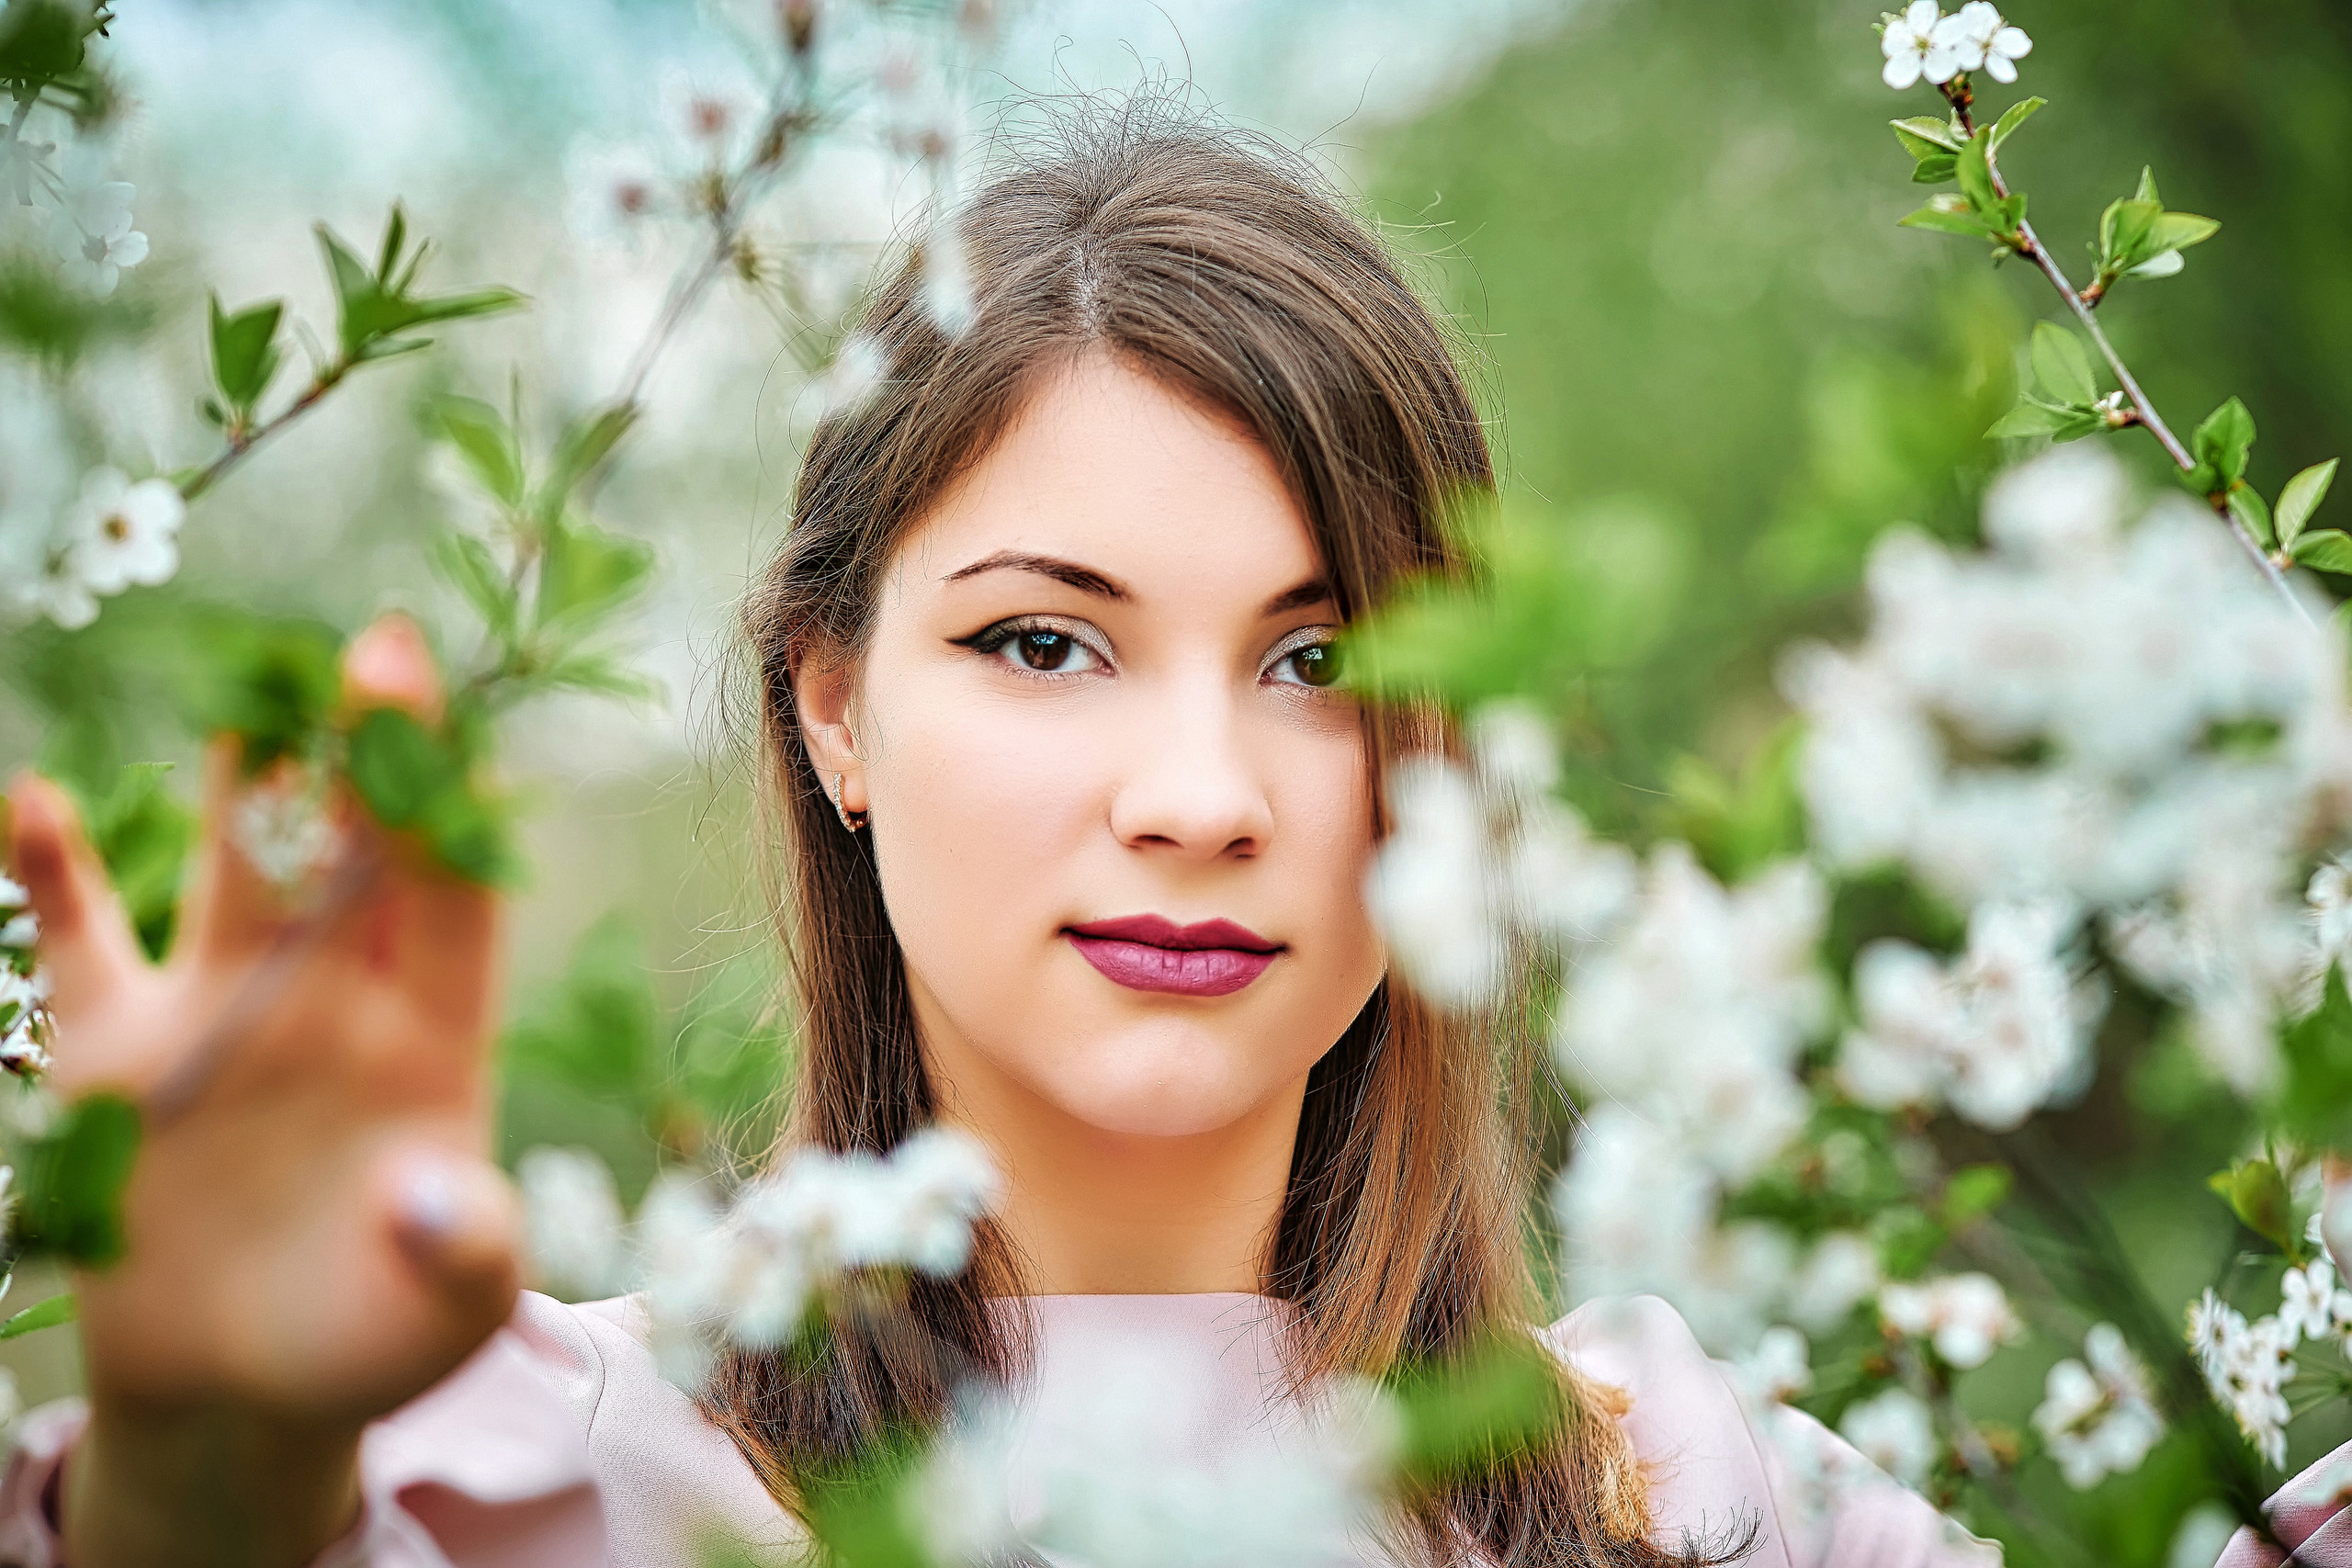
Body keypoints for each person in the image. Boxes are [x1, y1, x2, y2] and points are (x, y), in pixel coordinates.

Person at [0, 96, 2007, 1568]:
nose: (1201, 797)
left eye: (1318, 661)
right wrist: (202, 1474)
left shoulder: (1692, 1491)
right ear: (833, 702)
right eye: (1045, 641)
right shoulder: (523, 1474)